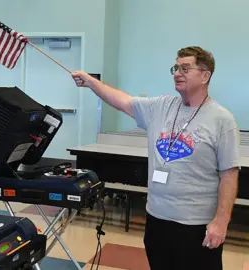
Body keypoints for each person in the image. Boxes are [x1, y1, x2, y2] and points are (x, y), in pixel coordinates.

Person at [71, 46, 239, 270]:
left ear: (205, 75)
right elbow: (123, 101)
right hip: (157, 219)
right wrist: (91, 82)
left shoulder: (222, 120)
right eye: (176, 68)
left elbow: (229, 175)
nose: (177, 73)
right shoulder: (161, 106)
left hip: (195, 225)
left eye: (185, 68)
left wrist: (221, 221)